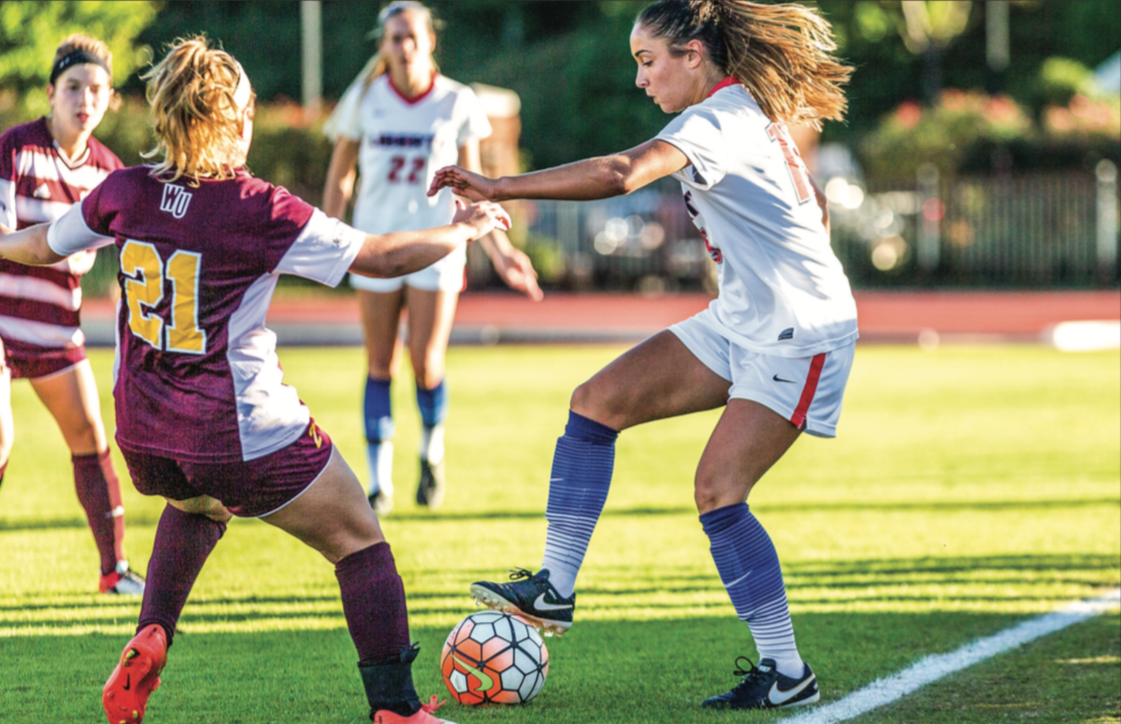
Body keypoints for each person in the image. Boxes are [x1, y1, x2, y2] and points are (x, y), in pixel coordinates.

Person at [0, 37, 511, 724]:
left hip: (146, 436)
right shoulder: (256, 206)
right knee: (360, 542)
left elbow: (38, 245)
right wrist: (466, 231)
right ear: (234, 120)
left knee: (196, 503)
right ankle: (396, 710)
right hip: (240, 430)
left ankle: (152, 631)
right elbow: (382, 258)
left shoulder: (123, 189)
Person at [430, 0, 855, 711]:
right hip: (743, 318)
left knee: (718, 493)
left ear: (693, 54)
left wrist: (500, 186)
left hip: (798, 332)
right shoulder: (742, 109)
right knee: (594, 404)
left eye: (646, 61)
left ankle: (785, 670)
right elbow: (808, 199)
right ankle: (555, 591)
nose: (640, 79)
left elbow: (622, 172)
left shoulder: (717, 118)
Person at [322, 0, 542, 517]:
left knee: (426, 364)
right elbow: (340, 175)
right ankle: (379, 483)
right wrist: (326, 239)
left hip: (438, 248)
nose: (403, 46)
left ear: (429, 41)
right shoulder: (366, 98)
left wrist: (502, 249)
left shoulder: (456, 101)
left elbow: (470, 190)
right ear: (384, 44)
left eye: (411, 36)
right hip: (374, 248)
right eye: (394, 37)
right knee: (380, 363)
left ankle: (431, 455)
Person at [0, 34, 145, 595]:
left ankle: (115, 572)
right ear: (50, 93)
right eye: (73, 87)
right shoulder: (16, 149)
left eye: (97, 89)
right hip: (2, 323)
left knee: (90, 434)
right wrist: (51, 243)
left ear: (110, 99)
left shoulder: (111, 174)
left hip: (56, 329)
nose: (85, 99)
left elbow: (137, 257)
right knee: (1, 438)